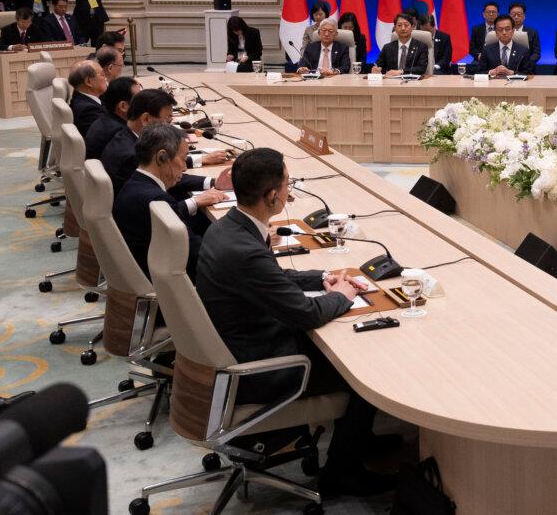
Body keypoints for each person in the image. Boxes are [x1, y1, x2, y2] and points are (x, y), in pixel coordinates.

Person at [195, 148, 395, 497]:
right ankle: (342, 473)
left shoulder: (230, 227)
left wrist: (321, 278)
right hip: (261, 367)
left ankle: (359, 439)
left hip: (239, 345)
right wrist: (342, 295)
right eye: (288, 184)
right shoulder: (245, 250)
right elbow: (307, 314)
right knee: (365, 371)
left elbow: (270, 279)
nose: (290, 190)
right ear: (272, 195)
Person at [112, 123, 224, 280]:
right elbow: (196, 254)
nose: (184, 168)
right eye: (183, 159)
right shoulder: (157, 200)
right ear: (161, 157)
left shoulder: (135, 184)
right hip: (168, 281)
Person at [101, 89, 229, 195]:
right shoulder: (129, 155)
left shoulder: (125, 136)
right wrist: (213, 182)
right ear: (146, 119)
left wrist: (201, 160)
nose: (170, 126)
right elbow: (166, 178)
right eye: (168, 121)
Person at [85, 76, 141, 160]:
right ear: (123, 106)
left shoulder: (106, 119)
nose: (144, 103)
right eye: (139, 99)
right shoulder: (118, 132)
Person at [376, 12, 427, 77]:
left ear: (412, 27)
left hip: (413, 81)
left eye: (406, 25)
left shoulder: (421, 47)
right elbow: (379, 66)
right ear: (395, 28)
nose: (403, 28)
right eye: (399, 25)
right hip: (391, 82)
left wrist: (401, 72)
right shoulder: (387, 48)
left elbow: (421, 68)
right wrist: (376, 69)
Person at [68, 60, 108, 137]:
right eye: (102, 74)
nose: (105, 78)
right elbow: (106, 137)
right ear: (89, 81)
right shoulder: (88, 111)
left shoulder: (81, 98)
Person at [508, 2, 541, 68]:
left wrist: (527, 63)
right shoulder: (503, 32)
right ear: (509, 16)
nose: (516, 17)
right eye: (513, 14)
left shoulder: (532, 32)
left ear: (524, 16)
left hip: (527, 67)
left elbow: (536, 53)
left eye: (519, 14)